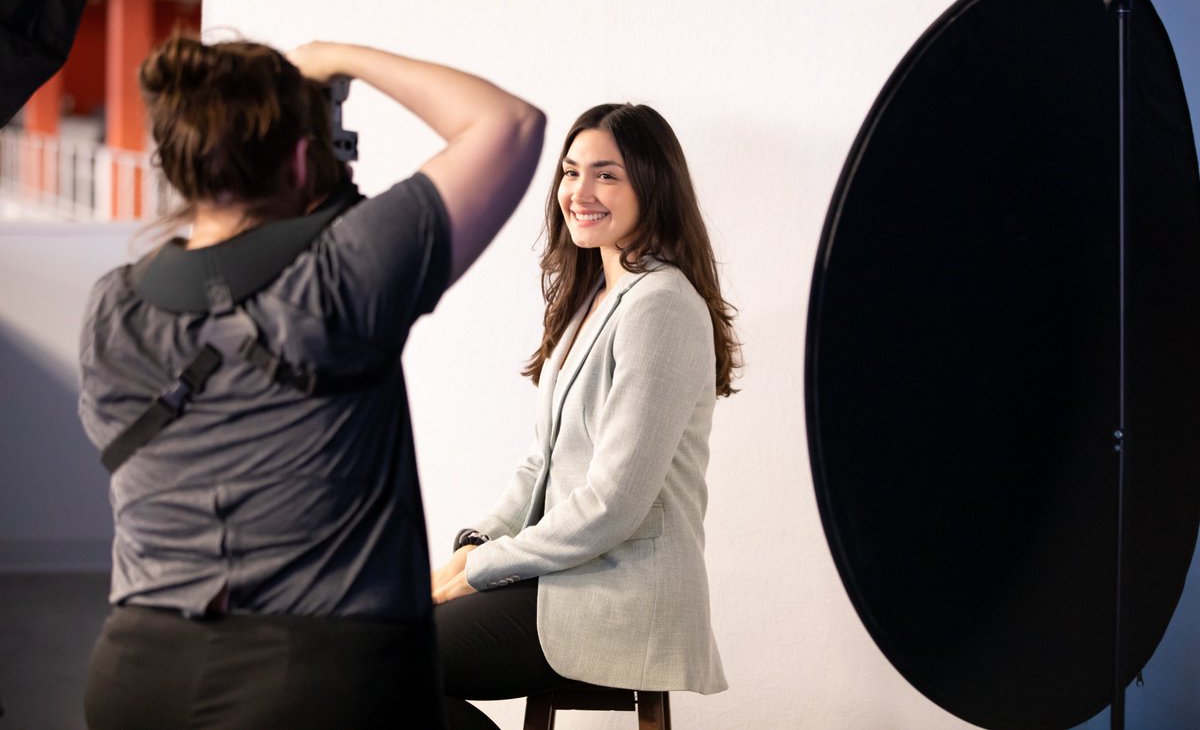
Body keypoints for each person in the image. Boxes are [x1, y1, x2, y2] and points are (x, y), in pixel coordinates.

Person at [77, 36, 544, 730]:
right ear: (302, 158)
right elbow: (508, 123)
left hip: (137, 672)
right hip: (314, 678)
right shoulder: (339, 279)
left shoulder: (112, 307)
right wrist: (335, 57)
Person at [432, 103, 737, 728]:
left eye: (606, 175)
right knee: (361, 653)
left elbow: (612, 504)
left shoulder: (661, 306)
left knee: (378, 666)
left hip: (619, 594)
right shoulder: (593, 300)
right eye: (571, 173)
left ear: (651, 186)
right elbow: (538, 465)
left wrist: (483, 572)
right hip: (566, 580)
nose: (580, 192)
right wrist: (473, 547)